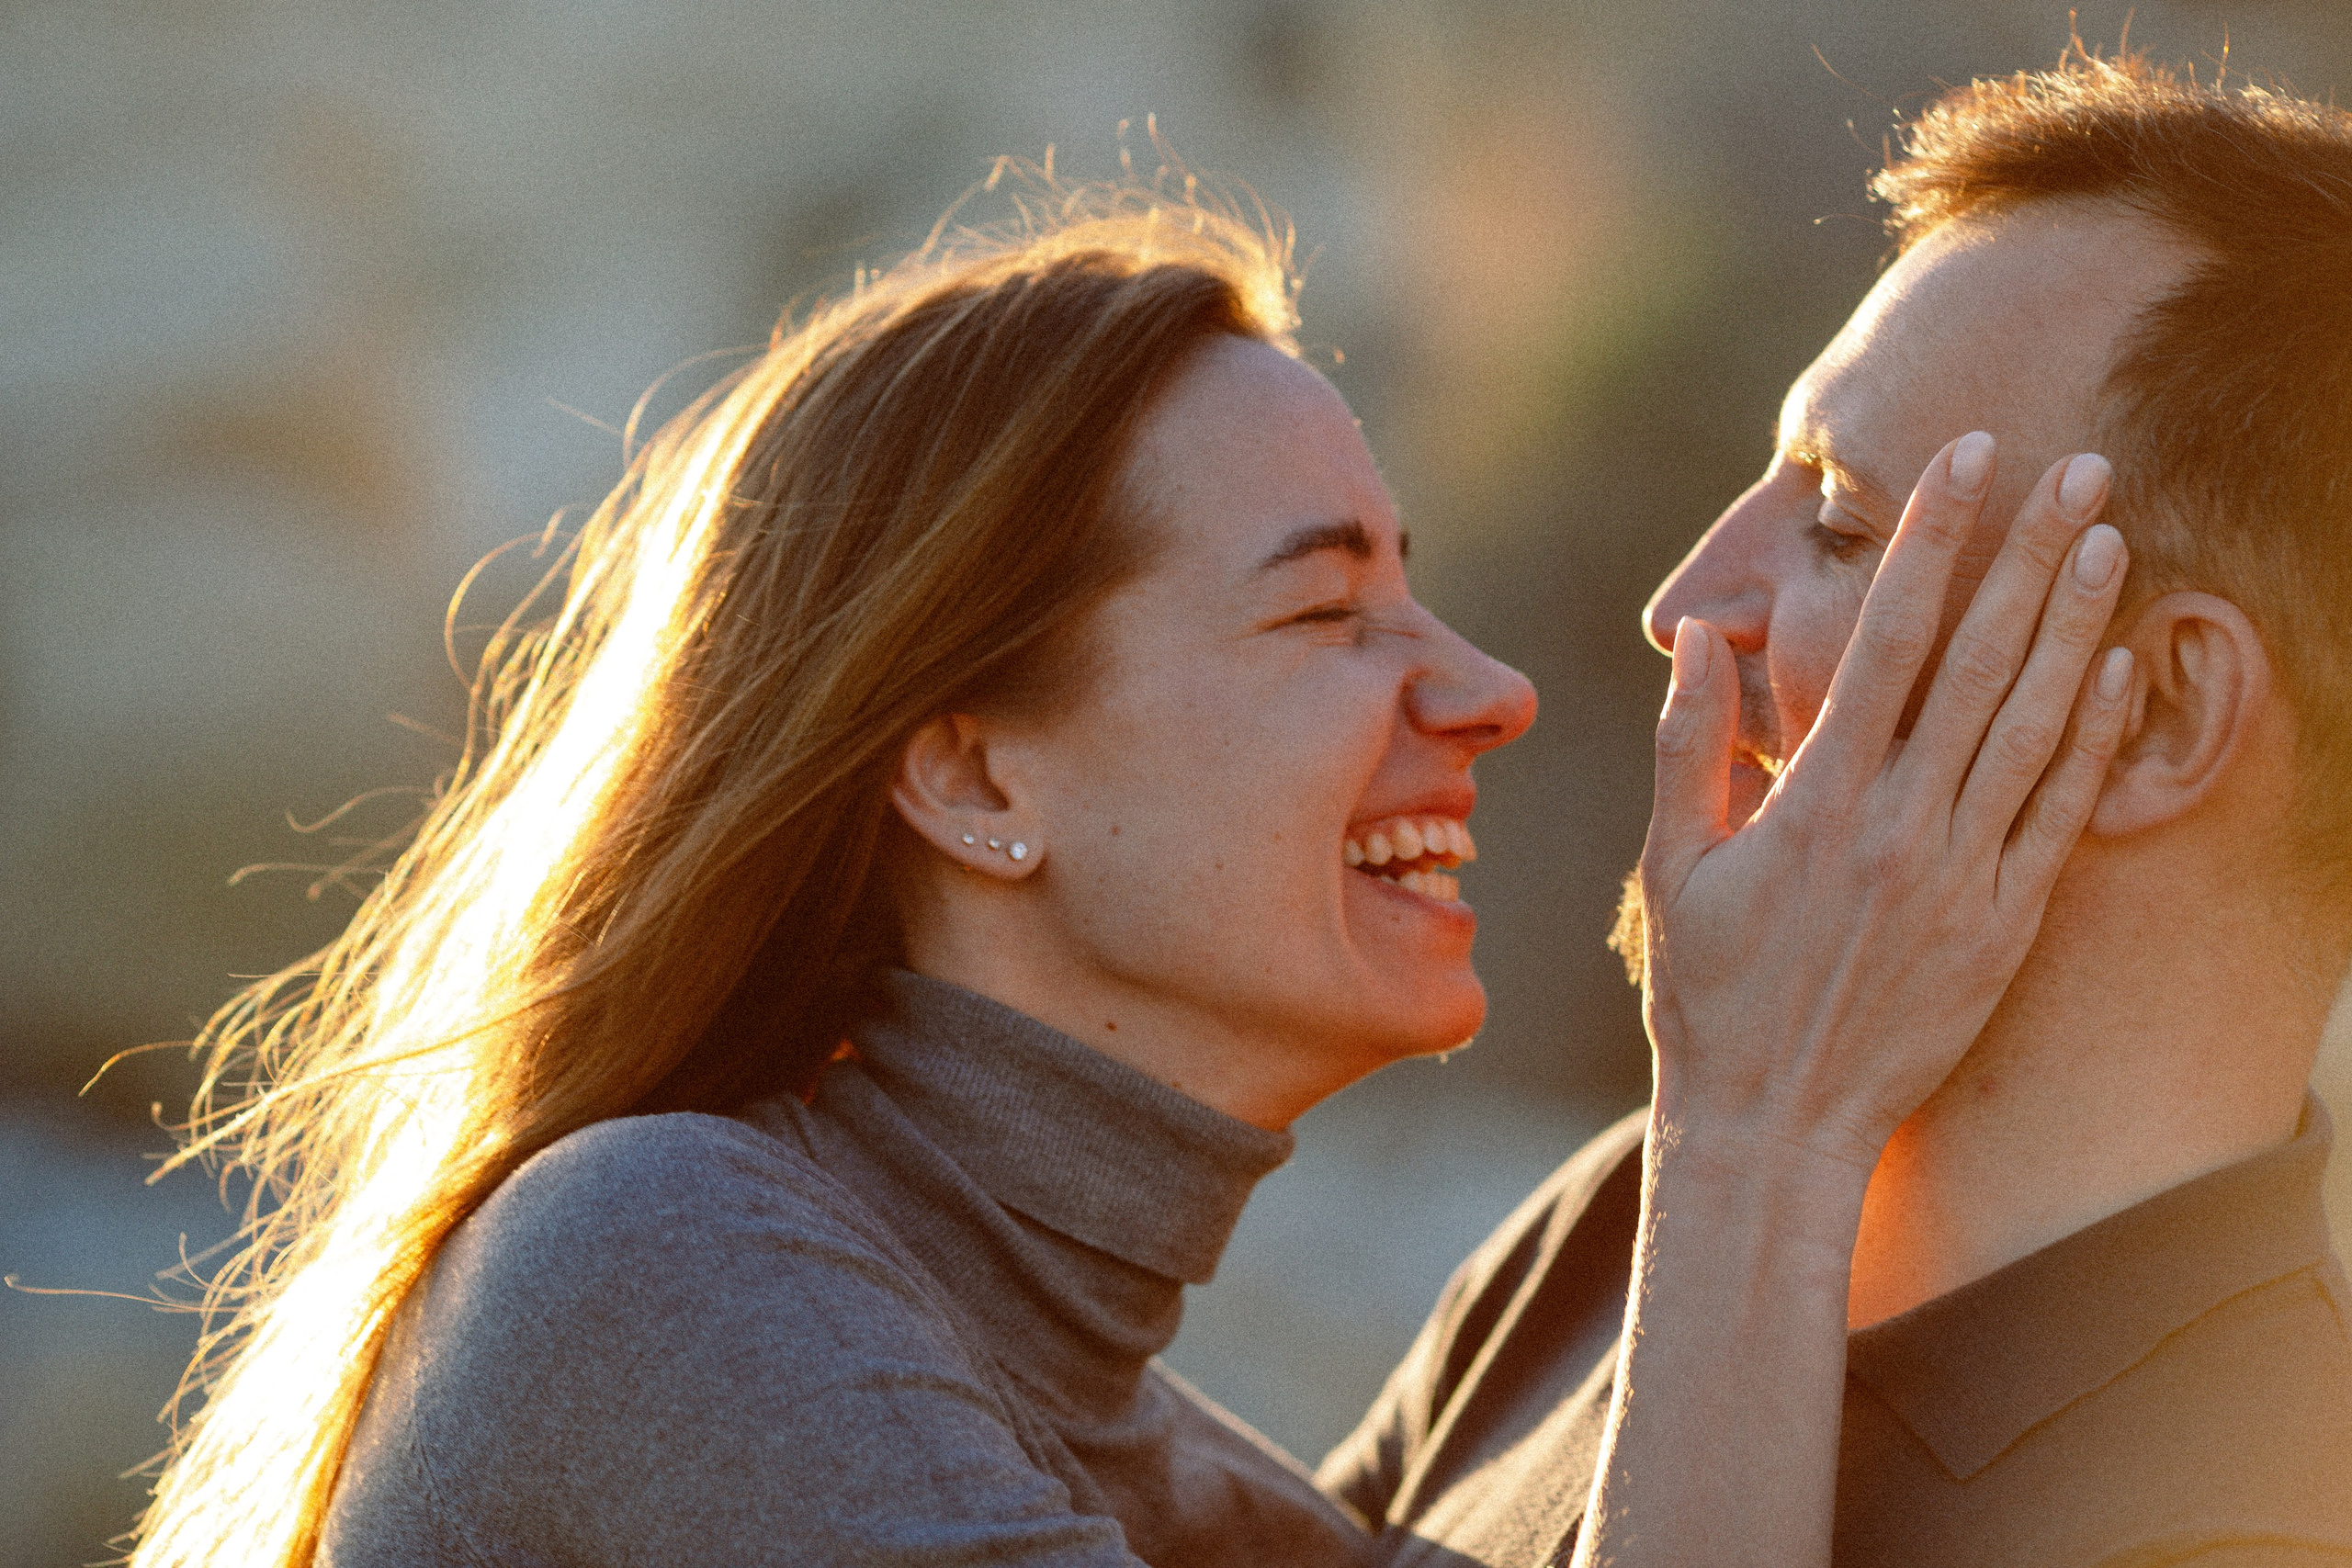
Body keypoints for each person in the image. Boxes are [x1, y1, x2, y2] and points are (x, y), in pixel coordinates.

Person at [124, 168, 2124, 1568]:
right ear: (978, 772)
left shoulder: (1105, 1441)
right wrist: (1758, 1119)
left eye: (1418, 590)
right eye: (1323, 614)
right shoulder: (664, 1268)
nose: (1494, 691)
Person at [1323, 49, 2352, 1568]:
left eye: (1838, 523)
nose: (1685, 607)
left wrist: (1751, 1146)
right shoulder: (1625, 1229)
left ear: (2162, 715)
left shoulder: (2254, 1521)